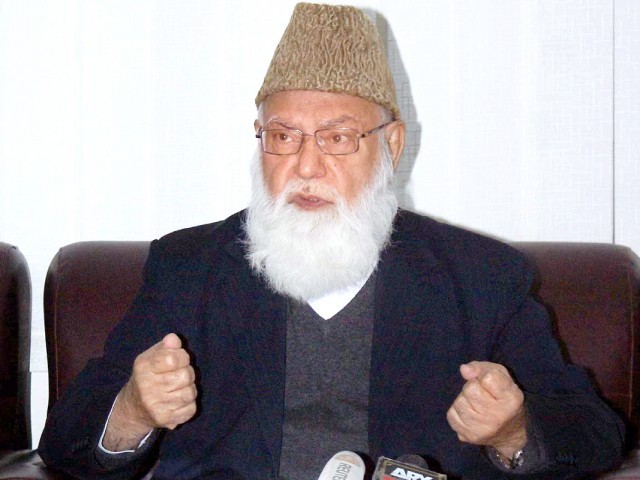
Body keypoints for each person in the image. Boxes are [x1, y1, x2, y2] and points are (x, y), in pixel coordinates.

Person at [38, 3, 624, 479]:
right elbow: (63, 444)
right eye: (283, 136)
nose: (306, 165)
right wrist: (133, 411)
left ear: (391, 146)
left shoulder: (481, 277)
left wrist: (514, 430)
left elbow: (596, 435)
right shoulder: (188, 267)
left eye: (338, 138)